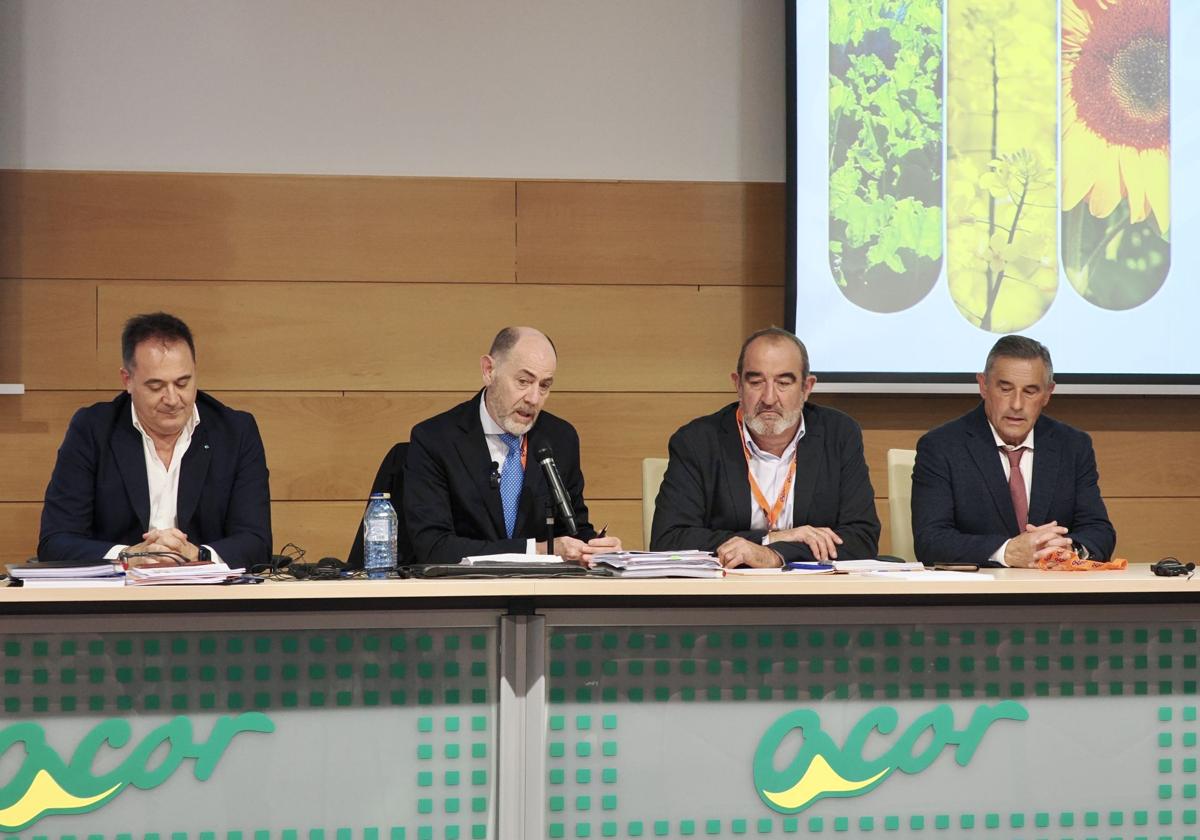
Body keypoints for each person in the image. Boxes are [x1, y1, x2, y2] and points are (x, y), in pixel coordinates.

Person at [38, 312, 272, 568]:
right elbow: (56, 542)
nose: (172, 399)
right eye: (156, 386)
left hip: (207, 598)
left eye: (183, 383)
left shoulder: (235, 432)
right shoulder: (93, 430)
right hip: (117, 600)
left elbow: (256, 543)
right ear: (127, 380)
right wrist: (128, 555)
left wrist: (198, 555)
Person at [650, 327, 880, 568]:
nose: (769, 398)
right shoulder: (697, 442)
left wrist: (776, 554)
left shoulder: (838, 435)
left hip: (813, 594)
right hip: (727, 594)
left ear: (806, 388)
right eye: (757, 382)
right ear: (738, 385)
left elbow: (862, 539)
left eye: (783, 383)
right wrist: (770, 539)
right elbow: (668, 540)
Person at [404, 326, 621, 565]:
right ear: (489, 371)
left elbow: (573, 530)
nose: (534, 398)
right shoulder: (435, 439)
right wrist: (537, 551)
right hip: (463, 596)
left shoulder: (560, 438)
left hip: (542, 595)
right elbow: (434, 547)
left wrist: (597, 548)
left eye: (545, 385)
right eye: (523, 381)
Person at [911, 335, 1116, 567]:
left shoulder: (1072, 446)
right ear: (983, 385)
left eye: (1030, 391)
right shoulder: (942, 447)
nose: (1017, 404)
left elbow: (1100, 532)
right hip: (977, 596)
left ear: (1048, 393)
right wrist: (1006, 552)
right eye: (1006, 389)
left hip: (1055, 592)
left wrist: (1069, 548)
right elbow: (930, 541)